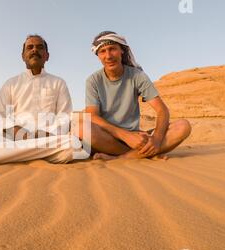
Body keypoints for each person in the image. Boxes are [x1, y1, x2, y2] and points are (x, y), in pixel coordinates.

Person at [80, 31, 191, 161]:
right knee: (81, 128)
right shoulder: (93, 80)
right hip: (109, 137)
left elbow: (162, 110)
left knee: (183, 126)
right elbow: (92, 116)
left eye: (112, 49)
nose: (108, 56)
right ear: (98, 55)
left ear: (122, 50)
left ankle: (122, 158)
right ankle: (143, 153)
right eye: (102, 51)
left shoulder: (137, 76)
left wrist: (156, 139)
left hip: (137, 138)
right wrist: (125, 136)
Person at [0, 34, 78, 164]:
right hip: (15, 138)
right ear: (23, 56)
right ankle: (38, 154)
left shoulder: (58, 83)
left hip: (48, 138)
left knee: (72, 144)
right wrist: (15, 130)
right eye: (30, 47)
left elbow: (64, 117)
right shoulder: (11, 83)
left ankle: (15, 156)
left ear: (47, 56)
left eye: (39, 47)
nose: (34, 50)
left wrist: (46, 134)